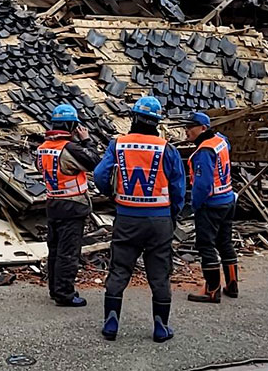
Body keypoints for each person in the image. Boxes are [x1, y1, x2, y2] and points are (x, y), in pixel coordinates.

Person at [94, 96, 185, 343]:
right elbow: (178, 188)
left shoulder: (118, 145)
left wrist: (114, 195)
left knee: (119, 270)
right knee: (159, 273)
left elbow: (100, 176)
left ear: (133, 117)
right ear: (157, 122)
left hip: (126, 217)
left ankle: (111, 322)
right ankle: (160, 327)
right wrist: (172, 214)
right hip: (159, 220)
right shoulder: (167, 148)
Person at [36, 104, 101, 307]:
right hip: (72, 204)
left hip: (53, 202)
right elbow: (94, 162)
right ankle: (65, 293)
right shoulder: (69, 148)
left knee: (54, 249)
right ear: (72, 125)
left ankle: (55, 288)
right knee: (68, 251)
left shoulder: (43, 148)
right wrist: (87, 140)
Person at [184, 111, 238, 304]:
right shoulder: (220, 140)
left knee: (206, 246)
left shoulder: (204, 152)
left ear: (203, 128)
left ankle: (212, 290)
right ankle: (232, 285)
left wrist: (194, 205)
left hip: (211, 204)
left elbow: (203, 185)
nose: (186, 131)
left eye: (191, 127)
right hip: (228, 198)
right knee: (225, 243)